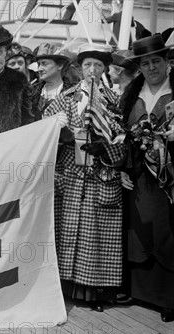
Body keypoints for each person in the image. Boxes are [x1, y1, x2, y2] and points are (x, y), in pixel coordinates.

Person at [43, 43, 126, 312]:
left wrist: (106, 147)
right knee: (69, 229)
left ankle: (96, 292)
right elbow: (44, 125)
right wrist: (62, 136)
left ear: (105, 69)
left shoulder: (114, 100)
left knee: (96, 233)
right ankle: (65, 286)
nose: (92, 70)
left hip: (101, 174)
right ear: (80, 68)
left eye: (98, 66)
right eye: (88, 65)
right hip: (71, 173)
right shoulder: (66, 97)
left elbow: (125, 138)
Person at [119, 34, 174, 322]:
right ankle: (136, 290)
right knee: (137, 229)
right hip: (137, 175)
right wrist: (122, 171)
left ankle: (169, 297)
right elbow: (119, 137)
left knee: (167, 230)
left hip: (169, 177)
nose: (151, 67)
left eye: (156, 61)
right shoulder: (131, 96)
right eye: (145, 63)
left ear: (167, 62)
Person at [31, 42, 76, 120]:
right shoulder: (31, 91)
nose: (39, 69)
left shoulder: (73, 93)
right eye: (39, 64)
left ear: (60, 65)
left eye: (44, 64)